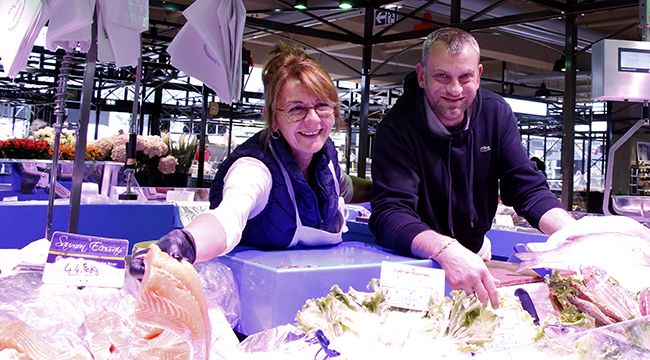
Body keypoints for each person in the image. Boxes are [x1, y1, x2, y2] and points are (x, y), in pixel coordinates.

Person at [369, 27, 576, 308]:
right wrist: (446, 249)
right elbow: (391, 213)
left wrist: (572, 237)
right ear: (421, 75)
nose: (455, 90)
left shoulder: (496, 113)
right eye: (442, 76)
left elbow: (526, 186)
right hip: (415, 263)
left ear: (478, 75)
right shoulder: (396, 128)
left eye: (465, 77)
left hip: (474, 253)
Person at [130, 43, 371, 276]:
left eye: (322, 106)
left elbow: (344, 186)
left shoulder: (325, 159)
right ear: (273, 118)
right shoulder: (253, 168)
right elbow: (228, 215)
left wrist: (392, 188)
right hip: (258, 295)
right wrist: (186, 243)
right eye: (296, 109)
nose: (313, 120)